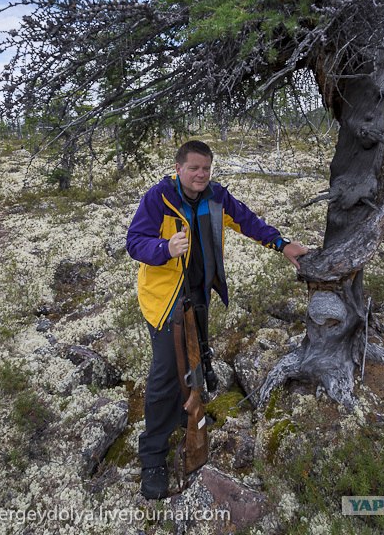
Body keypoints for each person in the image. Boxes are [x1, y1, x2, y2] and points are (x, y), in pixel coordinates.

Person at [126, 139, 308, 499]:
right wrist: (164, 249)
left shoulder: (216, 196)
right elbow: (134, 242)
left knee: (196, 360)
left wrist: (282, 244)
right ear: (178, 168)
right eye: (194, 168)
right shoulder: (158, 198)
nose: (201, 174)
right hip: (165, 302)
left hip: (198, 295)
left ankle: (186, 416)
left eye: (206, 168)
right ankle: (152, 457)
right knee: (165, 373)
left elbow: (248, 221)